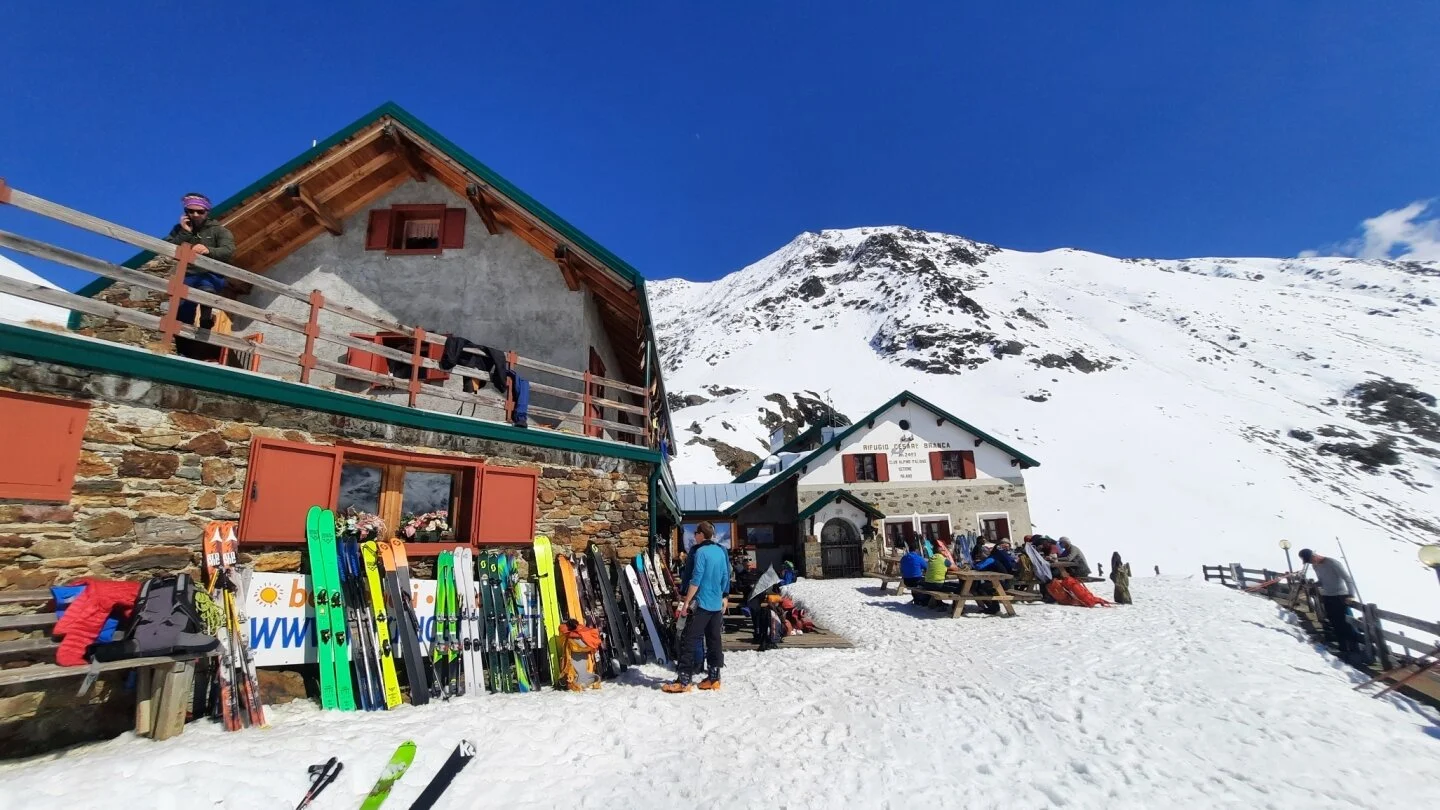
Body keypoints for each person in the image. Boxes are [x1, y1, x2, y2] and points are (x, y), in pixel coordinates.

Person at [162, 193, 236, 360]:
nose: (195, 215)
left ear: (207, 212)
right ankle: (185, 351)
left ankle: (205, 316)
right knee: (181, 314)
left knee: (206, 287)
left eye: (199, 212)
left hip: (211, 275)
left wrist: (208, 250)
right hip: (187, 276)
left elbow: (229, 251)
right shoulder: (178, 230)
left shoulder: (219, 231)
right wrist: (185, 233)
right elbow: (168, 249)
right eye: (190, 211)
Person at [663, 521, 731, 693]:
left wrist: (686, 601)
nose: (694, 536)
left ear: (701, 534)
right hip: (716, 604)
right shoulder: (721, 551)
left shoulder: (700, 552)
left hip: (701, 603)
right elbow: (725, 575)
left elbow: (696, 578)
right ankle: (714, 678)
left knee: (689, 640)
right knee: (714, 640)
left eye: (696, 533)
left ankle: (684, 679)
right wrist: (724, 595)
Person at [1298, 548, 1359, 661]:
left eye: (1311, 559)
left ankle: (1355, 650)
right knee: (1334, 622)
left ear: (1314, 555)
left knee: (1345, 622)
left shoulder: (1332, 562)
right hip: (1327, 596)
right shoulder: (1315, 566)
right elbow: (1322, 581)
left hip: (1340, 596)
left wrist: (1351, 595)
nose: (1311, 562)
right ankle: (1343, 648)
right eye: (1309, 561)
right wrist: (1313, 585)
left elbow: (1348, 578)